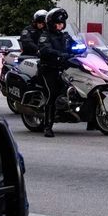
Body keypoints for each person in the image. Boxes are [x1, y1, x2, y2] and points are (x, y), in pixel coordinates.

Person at [37, 7, 73, 138]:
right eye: (57, 24)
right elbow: (46, 50)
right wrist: (60, 54)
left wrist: (85, 49)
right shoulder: (45, 36)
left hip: (63, 69)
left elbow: (77, 44)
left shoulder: (65, 36)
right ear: (51, 24)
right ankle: (48, 126)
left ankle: (92, 122)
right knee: (52, 94)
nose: (60, 26)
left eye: (61, 24)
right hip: (48, 69)